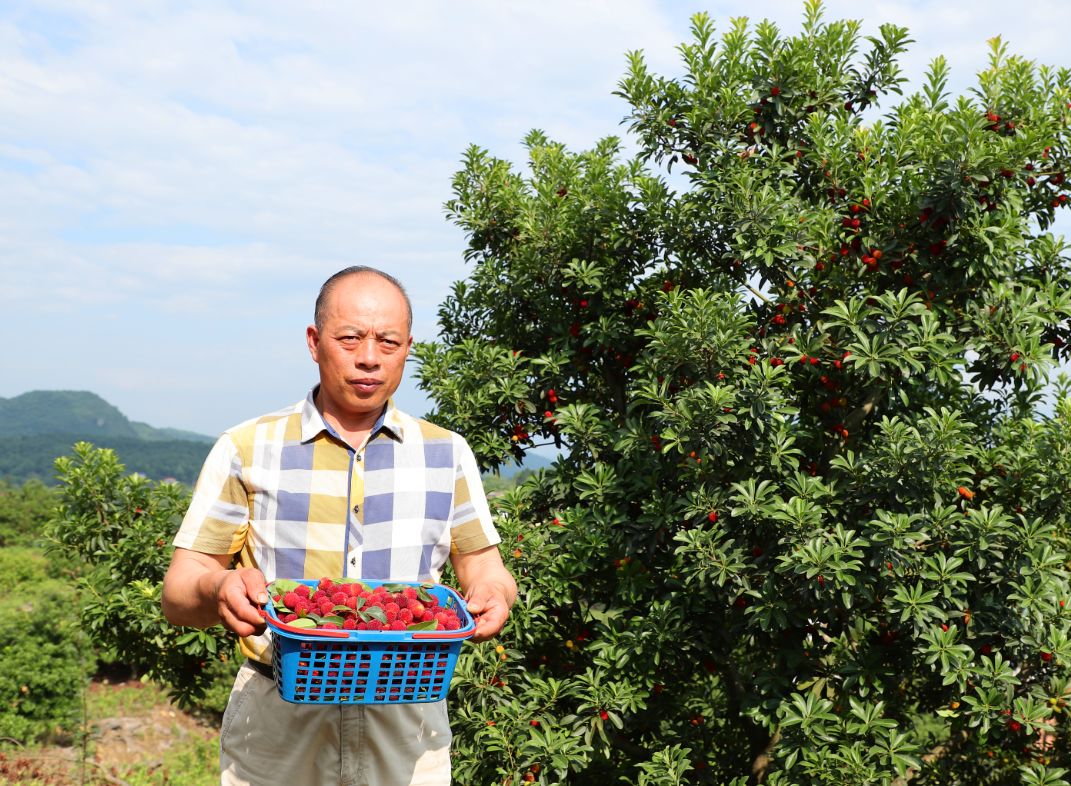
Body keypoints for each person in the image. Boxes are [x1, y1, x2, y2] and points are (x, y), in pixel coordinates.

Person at [161, 266, 517, 786]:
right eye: (349, 338)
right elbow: (178, 594)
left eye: (388, 342)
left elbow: (486, 568)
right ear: (314, 341)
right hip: (278, 720)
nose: (369, 356)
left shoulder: (447, 454)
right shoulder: (246, 448)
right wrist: (219, 586)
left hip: (408, 723)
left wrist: (493, 593)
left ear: (408, 348)